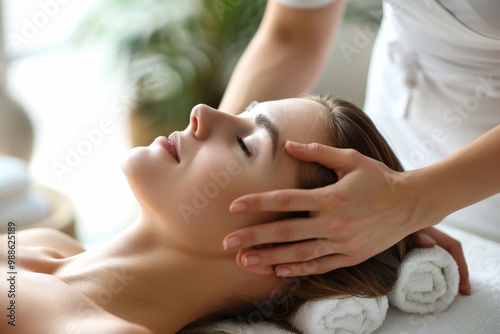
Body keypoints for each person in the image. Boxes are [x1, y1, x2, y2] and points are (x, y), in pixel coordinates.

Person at [0, 95, 413, 334]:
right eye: (243, 111)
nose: (203, 111)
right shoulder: (46, 245)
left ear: (289, 253)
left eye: (245, 145)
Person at [218, 0, 500, 295]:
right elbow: (291, 37)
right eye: (244, 143)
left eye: (246, 146)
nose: (198, 113)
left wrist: (413, 201)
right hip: (386, 164)